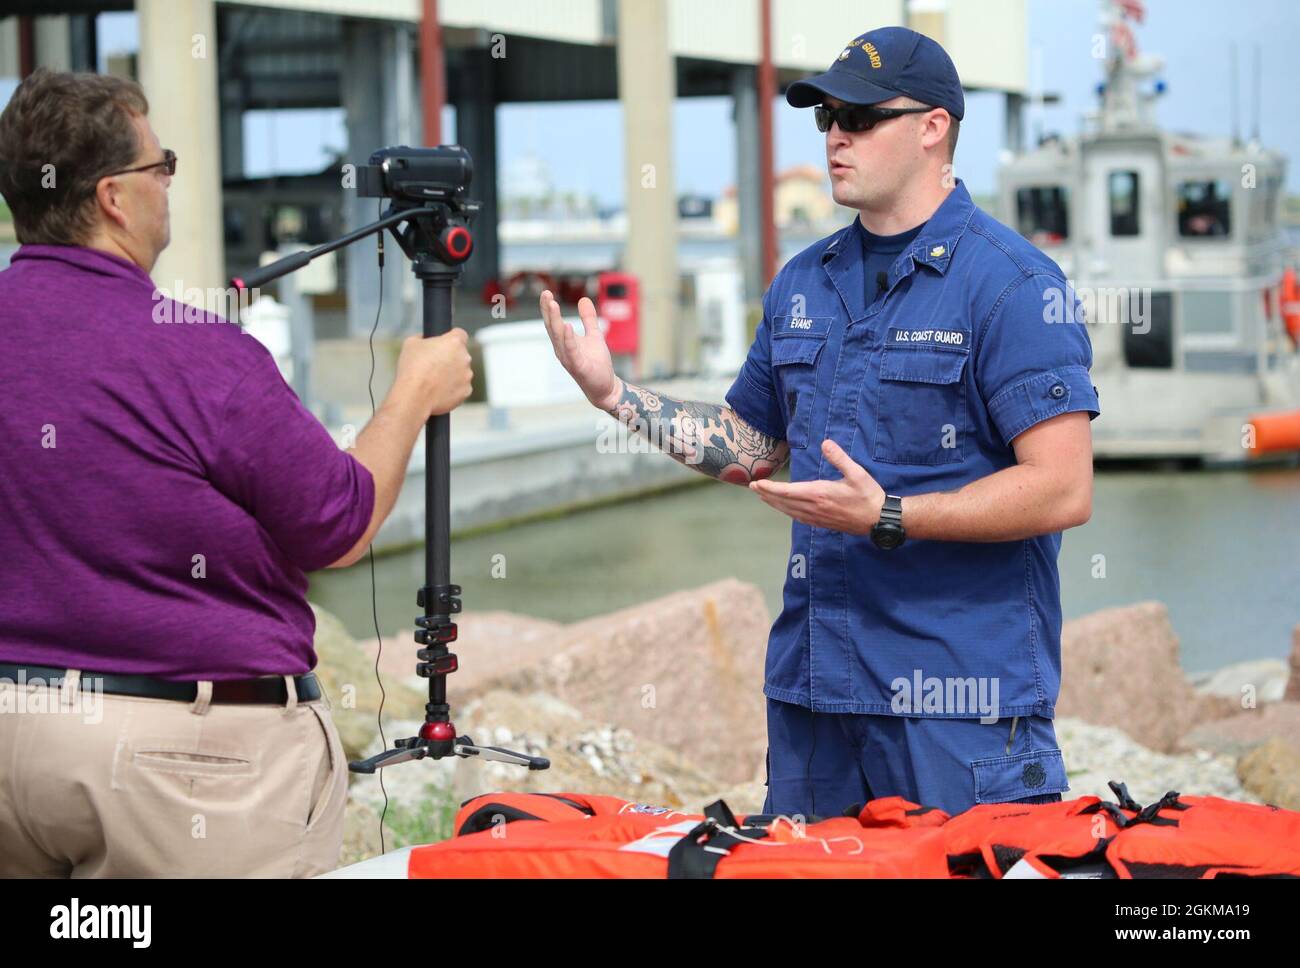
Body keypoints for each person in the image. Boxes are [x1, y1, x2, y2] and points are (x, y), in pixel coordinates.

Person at [540, 26, 1100, 818]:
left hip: (957, 709)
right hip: (816, 699)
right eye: (827, 116)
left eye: (861, 118)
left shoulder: (1010, 286)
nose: (837, 134)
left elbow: (1064, 488)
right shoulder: (804, 281)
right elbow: (752, 445)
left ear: (933, 127)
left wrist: (892, 515)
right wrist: (616, 396)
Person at [0, 68, 472, 876]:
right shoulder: (197, 353)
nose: (170, 187)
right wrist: (415, 391)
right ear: (115, 196)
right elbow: (339, 522)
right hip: (184, 774)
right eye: (163, 166)